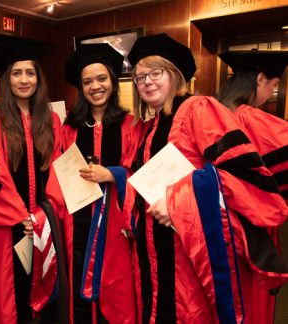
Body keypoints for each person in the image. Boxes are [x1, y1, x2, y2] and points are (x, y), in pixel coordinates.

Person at [124, 33, 288, 324]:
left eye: (155, 73)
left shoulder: (197, 109)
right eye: (138, 78)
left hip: (189, 257)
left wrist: (176, 201)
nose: (146, 81)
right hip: (154, 252)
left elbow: (240, 176)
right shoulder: (150, 126)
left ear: (175, 75)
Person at [0, 40, 67, 324]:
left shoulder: (51, 119)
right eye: (16, 73)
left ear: (38, 79)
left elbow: (57, 168)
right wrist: (23, 217)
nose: (24, 80)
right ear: (6, 80)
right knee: (8, 297)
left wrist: (44, 213)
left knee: (44, 286)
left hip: (43, 222)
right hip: (5, 225)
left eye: (30, 73)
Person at [61, 43, 139, 324]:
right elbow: (58, 182)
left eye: (102, 78)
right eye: (87, 81)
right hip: (77, 226)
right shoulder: (69, 127)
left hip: (116, 228)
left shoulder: (131, 124)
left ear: (113, 82)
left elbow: (141, 175)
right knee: (77, 286)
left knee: (116, 291)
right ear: (80, 87)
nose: (96, 86)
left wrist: (113, 175)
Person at [218, 49, 288, 323]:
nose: (272, 91)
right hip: (252, 225)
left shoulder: (213, 113)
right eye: (274, 85)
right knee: (249, 299)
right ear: (260, 79)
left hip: (213, 221)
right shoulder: (255, 119)